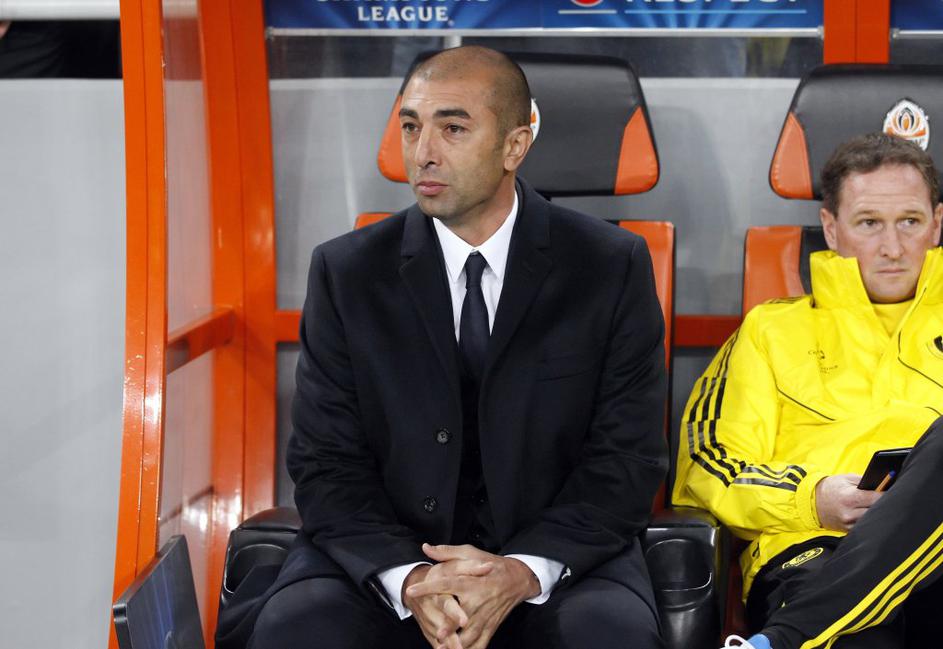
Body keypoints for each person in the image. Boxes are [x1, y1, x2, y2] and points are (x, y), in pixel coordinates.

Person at [246, 46, 668, 649]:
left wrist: (523, 571)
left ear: (514, 146)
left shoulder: (608, 266)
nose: (423, 152)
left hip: (555, 559)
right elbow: (325, 462)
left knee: (609, 637)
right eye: (411, 127)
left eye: (453, 129)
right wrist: (411, 577)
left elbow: (627, 459)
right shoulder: (347, 272)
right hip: (385, 557)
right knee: (298, 630)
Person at [672, 133, 943, 649]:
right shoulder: (772, 331)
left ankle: (782, 642)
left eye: (909, 221)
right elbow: (706, 464)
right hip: (814, 547)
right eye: (869, 223)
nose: (892, 248)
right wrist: (811, 499)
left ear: (937, 224)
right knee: (861, 638)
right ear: (831, 230)